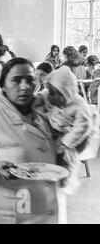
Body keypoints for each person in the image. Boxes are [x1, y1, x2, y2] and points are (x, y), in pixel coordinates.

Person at [0, 58, 66, 224]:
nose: (24, 86)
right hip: (10, 208)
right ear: (3, 85)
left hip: (45, 203)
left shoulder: (44, 113)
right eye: (16, 80)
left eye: (30, 80)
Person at [33, 66, 98, 194]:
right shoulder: (50, 94)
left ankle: (63, 179)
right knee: (46, 149)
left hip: (72, 135)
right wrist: (36, 99)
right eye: (49, 91)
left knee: (65, 157)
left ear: (66, 93)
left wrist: (65, 142)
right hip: (55, 128)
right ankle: (47, 174)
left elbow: (83, 126)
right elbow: (41, 96)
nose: (49, 96)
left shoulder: (78, 104)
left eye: (53, 93)